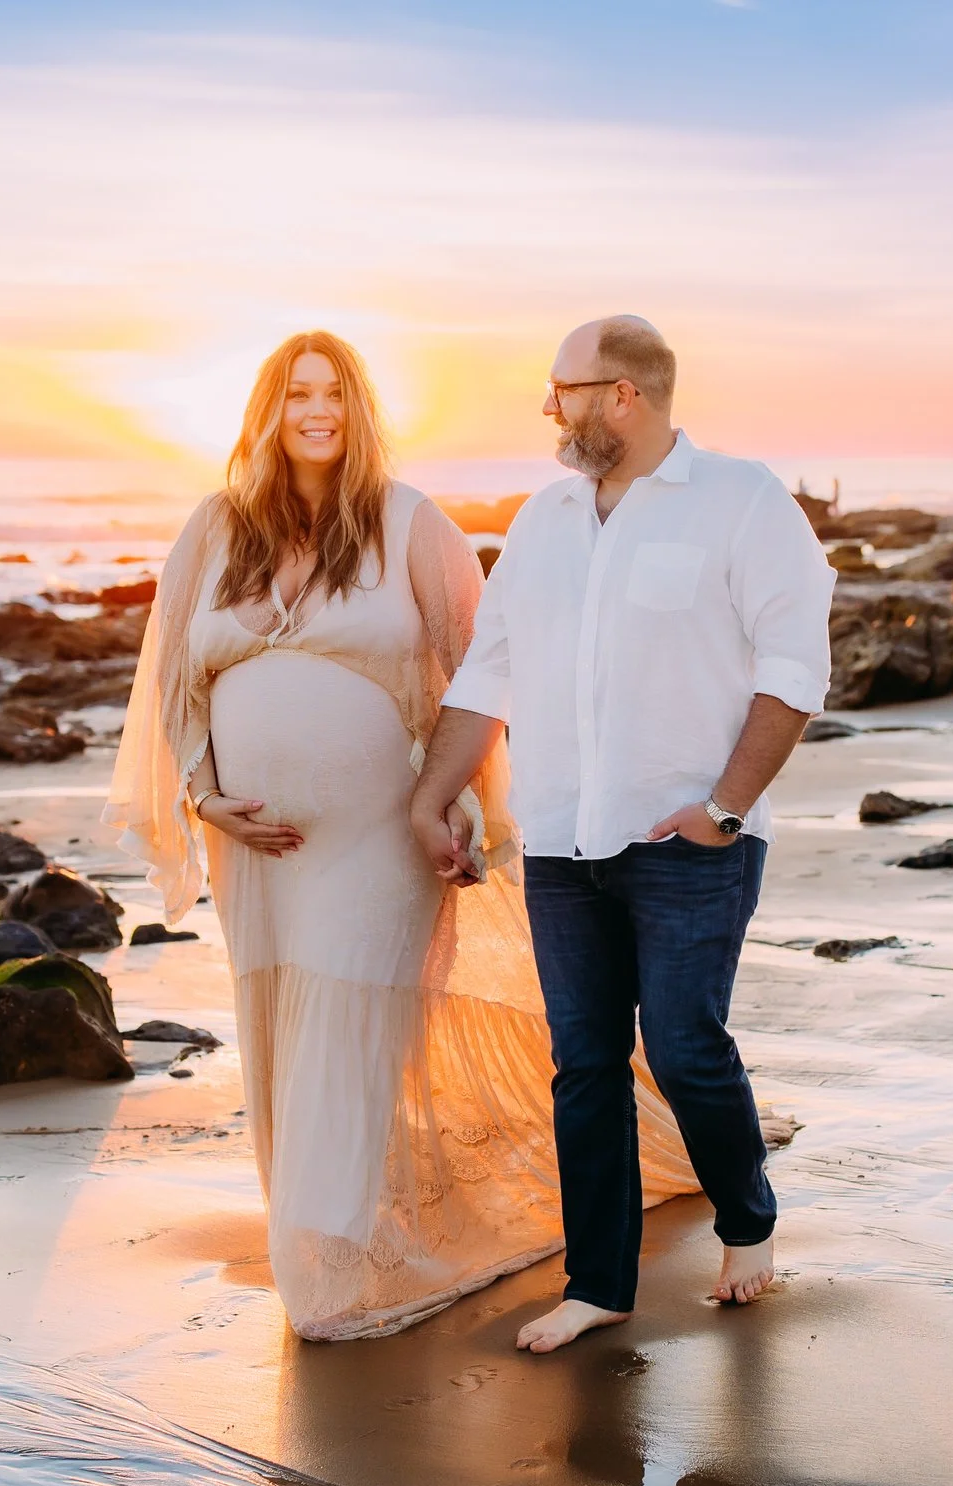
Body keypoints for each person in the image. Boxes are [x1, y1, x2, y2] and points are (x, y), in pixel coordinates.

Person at [105, 330, 699, 1341]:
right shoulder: (213, 530)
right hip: (253, 853)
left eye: (333, 392)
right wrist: (203, 799)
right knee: (283, 1038)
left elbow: (480, 670)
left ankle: (326, 1271)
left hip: (379, 839)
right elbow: (172, 682)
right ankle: (326, 1236)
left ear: (359, 407)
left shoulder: (410, 522)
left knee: (347, 1030)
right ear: (265, 409)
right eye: (295, 393)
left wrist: (459, 798)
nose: (315, 411)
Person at [410, 316, 834, 1354]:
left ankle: (748, 1217)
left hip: (693, 837)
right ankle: (596, 1282)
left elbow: (793, 670)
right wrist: (434, 794)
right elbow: (487, 673)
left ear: (624, 396)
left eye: (563, 390)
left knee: (687, 1049)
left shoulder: (742, 502)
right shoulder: (544, 518)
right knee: (584, 1062)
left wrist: (725, 807)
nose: (550, 409)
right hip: (562, 838)